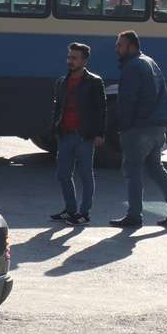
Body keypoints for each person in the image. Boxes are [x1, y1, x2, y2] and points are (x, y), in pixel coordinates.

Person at [111, 30, 167, 228]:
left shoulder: (133, 67)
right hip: (157, 127)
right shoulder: (150, 62)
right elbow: (161, 95)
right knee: (156, 168)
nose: (116, 49)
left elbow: (129, 100)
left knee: (132, 170)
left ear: (131, 46)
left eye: (120, 45)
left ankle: (134, 215)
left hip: (139, 128)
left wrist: (125, 125)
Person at [50, 42, 107, 225]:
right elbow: (58, 107)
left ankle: (84, 213)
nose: (70, 61)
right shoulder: (62, 82)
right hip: (65, 134)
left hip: (84, 136)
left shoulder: (94, 82)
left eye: (74, 58)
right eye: (69, 57)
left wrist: (100, 133)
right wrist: (55, 128)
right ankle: (70, 209)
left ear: (84, 61)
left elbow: (101, 109)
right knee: (63, 174)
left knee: (85, 175)